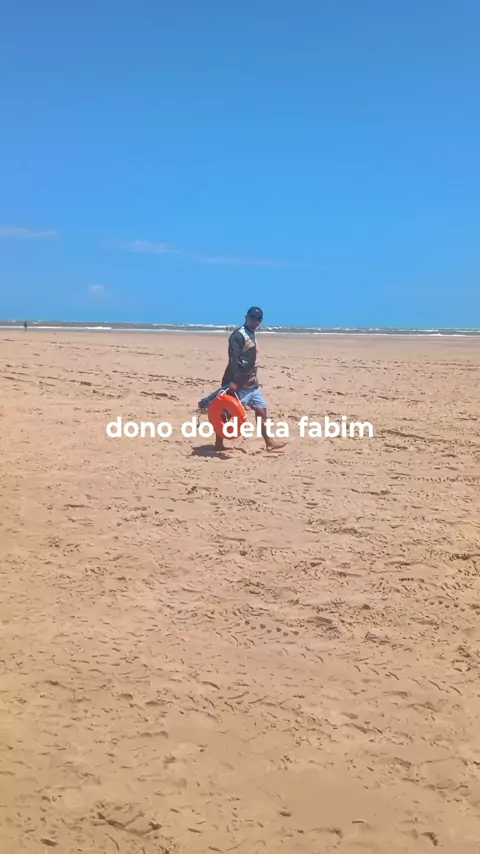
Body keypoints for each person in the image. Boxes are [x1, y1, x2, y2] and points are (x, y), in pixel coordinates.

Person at [198, 306, 287, 452]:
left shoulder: (251, 334)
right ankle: (218, 443)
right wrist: (233, 381)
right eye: (253, 318)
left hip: (252, 384)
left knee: (261, 410)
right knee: (227, 413)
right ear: (246, 317)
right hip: (239, 384)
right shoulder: (238, 336)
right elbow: (234, 359)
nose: (255, 321)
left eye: (258, 319)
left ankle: (269, 443)